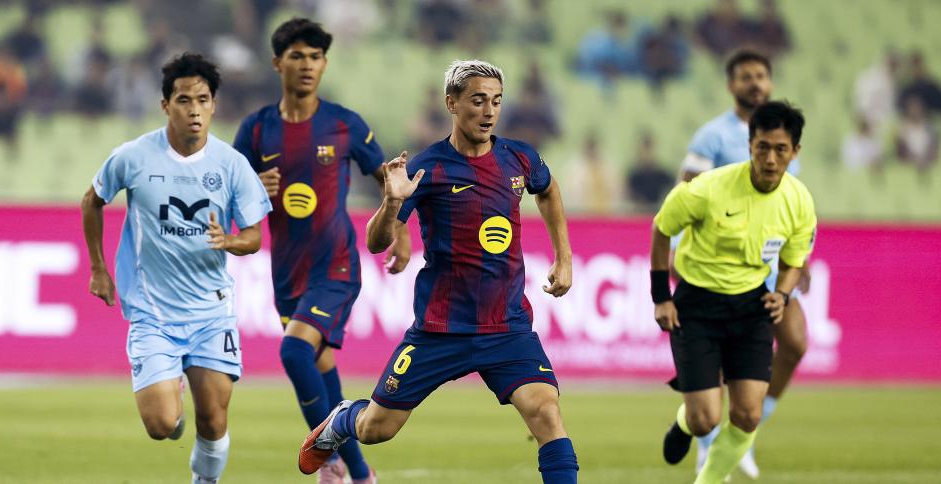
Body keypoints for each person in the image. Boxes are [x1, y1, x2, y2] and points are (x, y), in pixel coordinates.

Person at [297, 59, 579, 483]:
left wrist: (564, 256)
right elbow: (376, 241)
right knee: (378, 429)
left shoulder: (519, 158)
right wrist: (392, 202)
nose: (488, 112)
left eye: (496, 102)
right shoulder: (428, 168)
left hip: (507, 327)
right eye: (478, 101)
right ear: (452, 103)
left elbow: (548, 189)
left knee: (546, 412)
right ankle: (341, 421)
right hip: (440, 329)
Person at [80, 53, 271, 484]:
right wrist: (97, 267)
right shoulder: (133, 157)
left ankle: (205, 481)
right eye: (184, 100)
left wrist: (231, 241)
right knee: (161, 425)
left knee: (214, 421)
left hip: (211, 312)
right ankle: (172, 399)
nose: (195, 110)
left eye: (203, 99)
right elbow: (91, 200)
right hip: (153, 314)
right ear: (166, 105)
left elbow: (255, 236)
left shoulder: (231, 165)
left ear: (214, 104)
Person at [232, 18, 400, 484]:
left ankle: (327, 459)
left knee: (293, 353)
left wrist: (400, 230)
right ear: (277, 62)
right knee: (321, 367)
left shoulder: (344, 123)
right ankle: (361, 475)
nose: (307, 65)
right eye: (297, 56)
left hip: (337, 265)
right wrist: (251, 192)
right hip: (287, 273)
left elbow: (387, 178)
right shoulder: (256, 129)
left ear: (325, 63)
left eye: (315, 56)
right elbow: (228, 194)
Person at [653, 101, 816, 484]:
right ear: (749, 145)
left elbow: (794, 260)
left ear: (795, 152)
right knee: (705, 417)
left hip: (752, 304)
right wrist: (661, 295)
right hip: (697, 304)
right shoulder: (708, 189)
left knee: (747, 416)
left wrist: (784, 294)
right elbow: (661, 228)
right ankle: (685, 422)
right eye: (763, 147)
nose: (771, 158)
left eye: (781, 149)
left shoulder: (799, 202)